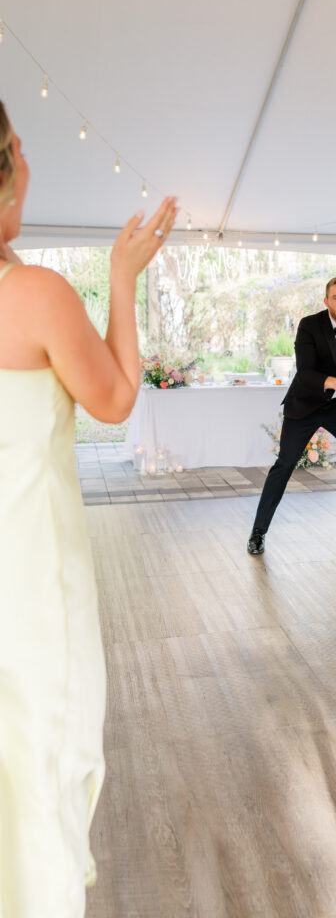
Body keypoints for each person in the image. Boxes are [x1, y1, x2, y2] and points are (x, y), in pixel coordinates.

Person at [0, 100, 178, 917]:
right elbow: (115, 398)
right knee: (35, 766)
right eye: (21, 149)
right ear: (6, 173)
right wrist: (122, 279)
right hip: (28, 581)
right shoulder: (33, 295)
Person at [248, 277, 336, 554]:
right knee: (284, 465)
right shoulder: (309, 325)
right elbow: (305, 373)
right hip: (305, 405)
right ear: (326, 301)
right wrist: (335, 382)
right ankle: (258, 532)